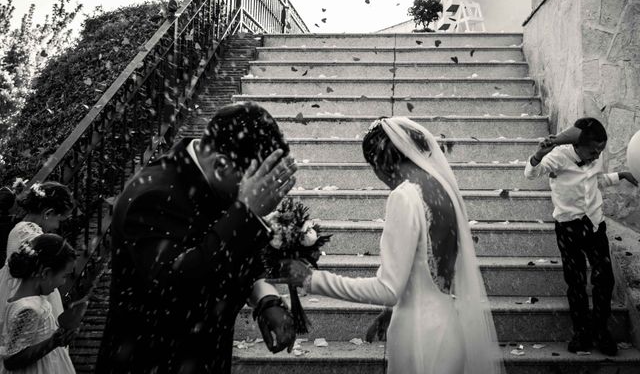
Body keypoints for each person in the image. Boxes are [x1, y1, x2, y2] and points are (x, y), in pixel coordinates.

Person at [282, 117, 503, 374]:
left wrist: (312, 279)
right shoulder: (441, 187)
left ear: (379, 163)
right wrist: (391, 311)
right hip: (447, 328)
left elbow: (387, 289)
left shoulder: (404, 196)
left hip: (418, 339)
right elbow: (427, 270)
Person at [96, 102, 298, 374]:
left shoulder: (215, 180)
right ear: (222, 165)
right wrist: (247, 212)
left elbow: (227, 251)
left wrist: (264, 295)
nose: (263, 193)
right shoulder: (151, 197)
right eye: (255, 182)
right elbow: (178, 286)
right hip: (153, 361)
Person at [524, 117, 638, 355]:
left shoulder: (594, 158)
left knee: (604, 280)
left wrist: (621, 175)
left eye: (601, 150)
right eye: (593, 150)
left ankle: (601, 330)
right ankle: (581, 333)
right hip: (568, 227)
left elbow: (597, 180)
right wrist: (537, 155)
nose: (597, 155)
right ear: (579, 145)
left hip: (596, 225)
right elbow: (531, 174)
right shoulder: (559, 157)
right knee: (575, 282)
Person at [0, 182, 74, 336]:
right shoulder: (32, 235)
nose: (57, 227)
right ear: (48, 213)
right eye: (59, 220)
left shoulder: (20, 228)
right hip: (32, 303)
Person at [0, 233, 77, 374]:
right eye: (64, 276)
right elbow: (11, 360)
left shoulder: (30, 299)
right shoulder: (28, 308)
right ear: (46, 273)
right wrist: (53, 342)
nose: (63, 282)